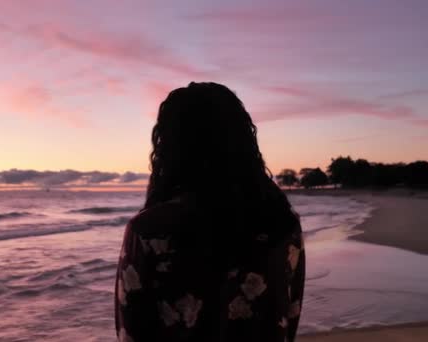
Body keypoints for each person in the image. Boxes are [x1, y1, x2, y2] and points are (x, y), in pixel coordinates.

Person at [114, 82, 305, 341]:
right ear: (242, 141)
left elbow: (131, 333)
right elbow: (289, 316)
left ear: (170, 147)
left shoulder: (148, 232)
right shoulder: (282, 225)